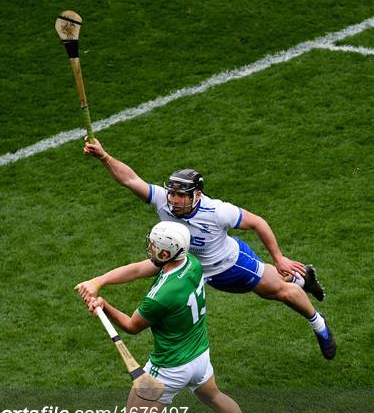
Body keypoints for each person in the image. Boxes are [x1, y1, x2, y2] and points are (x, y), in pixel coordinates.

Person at [76, 221, 272, 413]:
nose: (150, 248)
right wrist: (100, 281)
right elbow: (142, 267)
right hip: (199, 357)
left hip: (166, 371)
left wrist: (104, 306)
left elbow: (130, 326)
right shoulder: (191, 262)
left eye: (155, 245)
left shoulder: (161, 297)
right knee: (214, 396)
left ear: (167, 251)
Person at [82, 139, 336, 360]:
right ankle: (303, 278)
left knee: (281, 293)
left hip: (231, 266)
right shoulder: (163, 202)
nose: (174, 200)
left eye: (181, 195)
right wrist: (104, 157)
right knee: (146, 267)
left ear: (197, 195)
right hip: (187, 264)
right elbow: (129, 179)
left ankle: (318, 323)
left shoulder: (217, 211)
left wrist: (279, 258)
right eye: (172, 193)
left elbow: (258, 222)